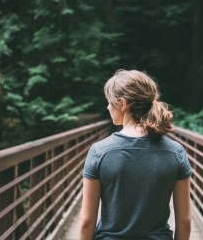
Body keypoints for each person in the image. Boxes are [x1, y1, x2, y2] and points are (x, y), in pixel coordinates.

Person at [79, 69, 192, 240]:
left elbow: (87, 222)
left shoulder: (100, 152)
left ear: (123, 104)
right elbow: (185, 222)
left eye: (110, 102)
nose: (108, 107)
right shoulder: (175, 152)